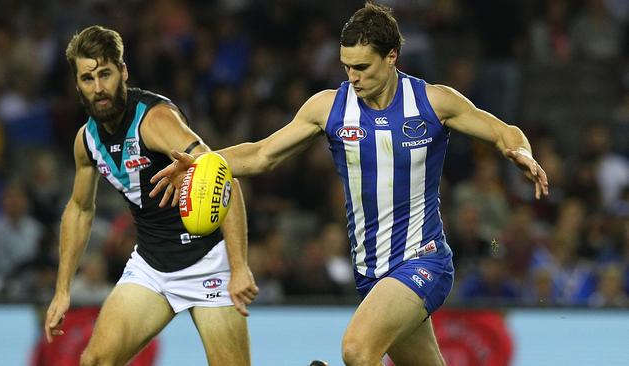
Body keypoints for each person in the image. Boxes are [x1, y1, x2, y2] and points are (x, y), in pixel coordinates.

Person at [152, 2, 549, 365]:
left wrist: (522, 152)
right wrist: (202, 163)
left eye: (362, 68)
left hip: (422, 260)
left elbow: (502, 131)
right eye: (346, 67)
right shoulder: (328, 107)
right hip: (370, 271)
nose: (352, 77)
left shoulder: (433, 102)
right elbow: (261, 154)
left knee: (357, 350)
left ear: (391, 56)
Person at [44, 25, 258, 366]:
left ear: (123, 71)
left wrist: (240, 266)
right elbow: (80, 209)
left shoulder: (155, 120)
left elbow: (220, 174)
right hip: (152, 266)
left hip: (207, 262)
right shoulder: (86, 141)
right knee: (95, 362)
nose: (98, 88)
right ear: (77, 84)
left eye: (106, 74)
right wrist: (63, 290)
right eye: (88, 78)